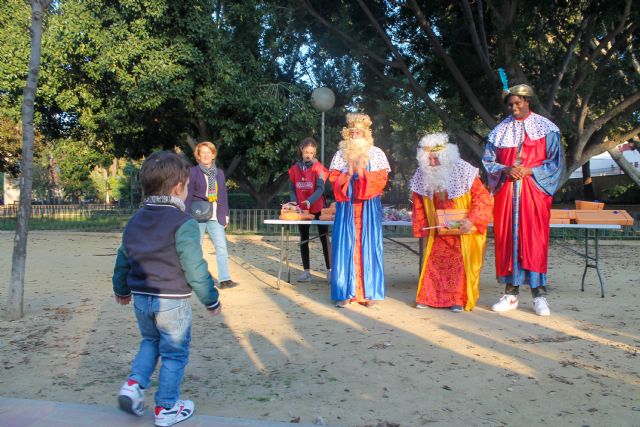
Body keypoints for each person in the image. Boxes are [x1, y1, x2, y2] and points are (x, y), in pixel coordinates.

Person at [112, 151, 221, 427]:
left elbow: (123, 257)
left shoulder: (135, 220)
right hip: (172, 301)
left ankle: (134, 384)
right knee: (174, 353)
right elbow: (194, 267)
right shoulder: (183, 223)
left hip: (141, 299)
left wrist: (121, 289)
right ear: (178, 188)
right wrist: (211, 299)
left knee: (150, 341)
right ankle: (167, 408)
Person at [482, 83, 564, 316]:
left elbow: (555, 163)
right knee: (508, 240)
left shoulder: (547, 129)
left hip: (534, 192)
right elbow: (488, 161)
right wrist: (507, 169)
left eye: (518, 103)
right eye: (510, 104)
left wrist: (530, 171)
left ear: (528, 101)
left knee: (534, 240)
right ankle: (511, 294)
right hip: (507, 193)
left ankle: (539, 295)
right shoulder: (499, 131)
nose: (514, 107)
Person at [411, 133, 492, 312]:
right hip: (438, 230)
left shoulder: (464, 170)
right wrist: (422, 228)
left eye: (435, 159)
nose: (431, 163)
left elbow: (483, 198)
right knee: (433, 262)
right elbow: (418, 202)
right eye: (429, 159)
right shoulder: (422, 173)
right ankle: (429, 298)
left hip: (461, 229)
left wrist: (472, 220)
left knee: (458, 263)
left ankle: (457, 299)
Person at [328, 113, 390, 308]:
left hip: (368, 209)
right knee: (346, 246)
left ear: (366, 134)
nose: (355, 136)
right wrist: (349, 175)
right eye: (352, 132)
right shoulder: (340, 155)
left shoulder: (377, 153)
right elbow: (333, 179)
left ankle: (369, 293)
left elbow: (381, 180)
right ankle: (346, 292)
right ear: (347, 134)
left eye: (359, 132)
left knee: (369, 246)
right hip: (347, 208)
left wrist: (363, 175)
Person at [186, 141, 239, 289]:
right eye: (203, 152)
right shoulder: (193, 172)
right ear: (198, 155)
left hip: (216, 214)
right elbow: (188, 194)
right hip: (198, 214)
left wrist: (225, 215)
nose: (206, 155)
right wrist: (185, 214)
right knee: (196, 247)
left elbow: (223, 195)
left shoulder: (219, 173)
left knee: (221, 247)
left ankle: (224, 279)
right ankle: (194, 279)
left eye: (208, 152)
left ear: (213, 154)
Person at [287, 137, 332, 282]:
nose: (309, 155)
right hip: (302, 209)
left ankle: (330, 270)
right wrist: (295, 202)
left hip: (317, 207)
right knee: (304, 239)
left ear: (315, 152)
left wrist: (309, 201)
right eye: (306, 152)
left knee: (324, 239)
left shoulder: (318, 168)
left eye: (311, 152)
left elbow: (320, 189)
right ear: (301, 151)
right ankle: (306, 271)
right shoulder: (295, 169)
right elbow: (292, 188)